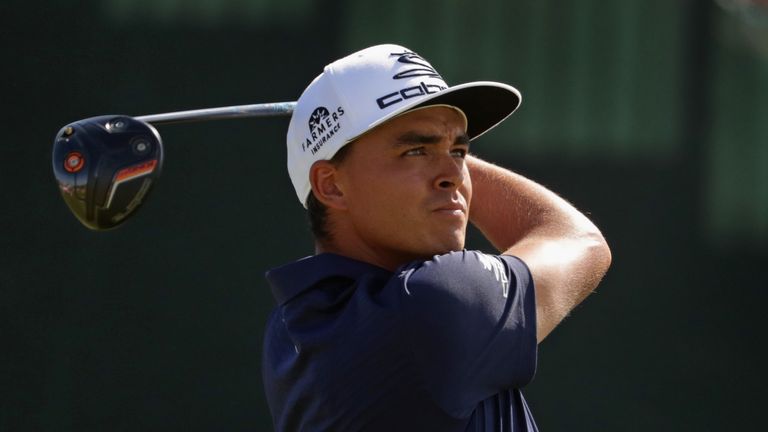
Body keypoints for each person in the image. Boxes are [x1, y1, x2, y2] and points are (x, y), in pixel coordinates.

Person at [262, 44, 611, 432]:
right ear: (332, 186)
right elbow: (576, 239)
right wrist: (448, 151)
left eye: (460, 151)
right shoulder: (437, 299)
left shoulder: (289, 327)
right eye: (415, 150)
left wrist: (427, 148)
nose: (455, 175)